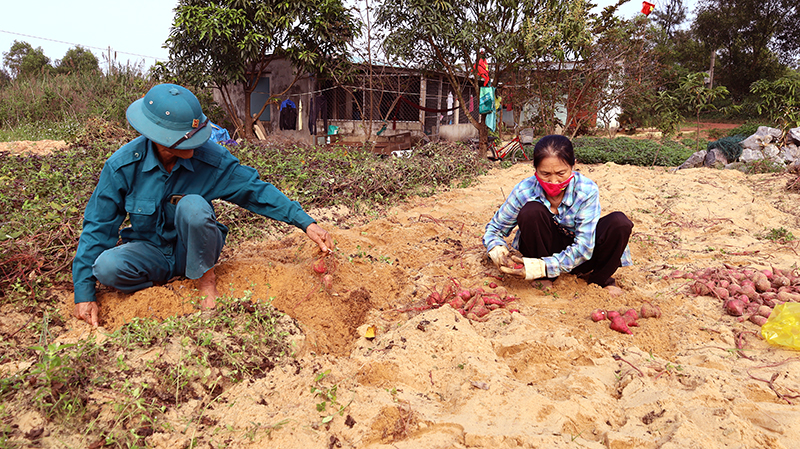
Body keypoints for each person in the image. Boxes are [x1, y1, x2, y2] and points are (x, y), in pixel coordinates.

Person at [72, 83, 333, 327]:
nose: (196, 143)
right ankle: (168, 280)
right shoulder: (123, 165)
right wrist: (83, 292)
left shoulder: (212, 159)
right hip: (150, 251)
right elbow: (98, 226)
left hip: (196, 249)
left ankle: (205, 281)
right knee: (105, 267)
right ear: (159, 137)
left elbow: (255, 190)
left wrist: (306, 223)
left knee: (193, 206)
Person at [483, 134, 633, 296]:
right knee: (531, 211)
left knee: (619, 223)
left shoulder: (586, 190)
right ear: (535, 168)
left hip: (581, 257)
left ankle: (600, 280)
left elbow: (584, 247)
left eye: (561, 173)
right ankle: (544, 277)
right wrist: (498, 251)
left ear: (573, 165)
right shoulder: (525, 190)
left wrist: (543, 265)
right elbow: (494, 229)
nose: (553, 181)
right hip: (542, 250)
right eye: (545, 174)